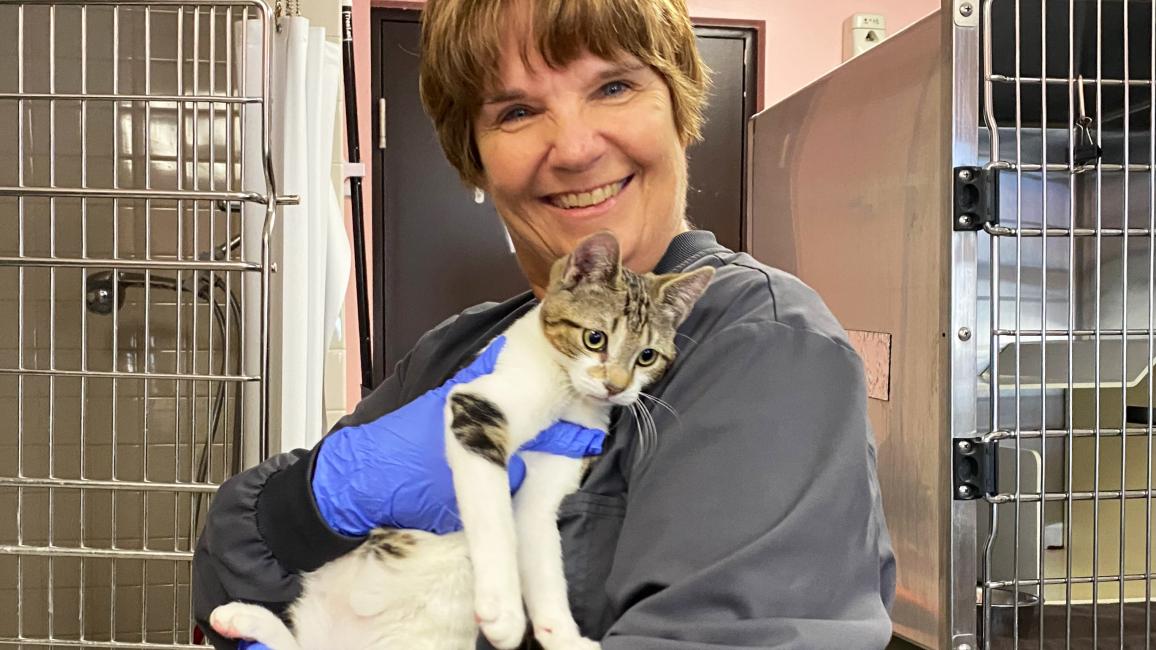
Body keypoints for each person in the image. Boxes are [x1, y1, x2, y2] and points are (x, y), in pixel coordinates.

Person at [192, 0, 896, 647]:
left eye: (614, 87)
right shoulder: (455, 349)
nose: (575, 148)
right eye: (518, 112)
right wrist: (318, 495)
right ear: (475, 159)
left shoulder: (762, 348)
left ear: (680, 109)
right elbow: (221, 571)